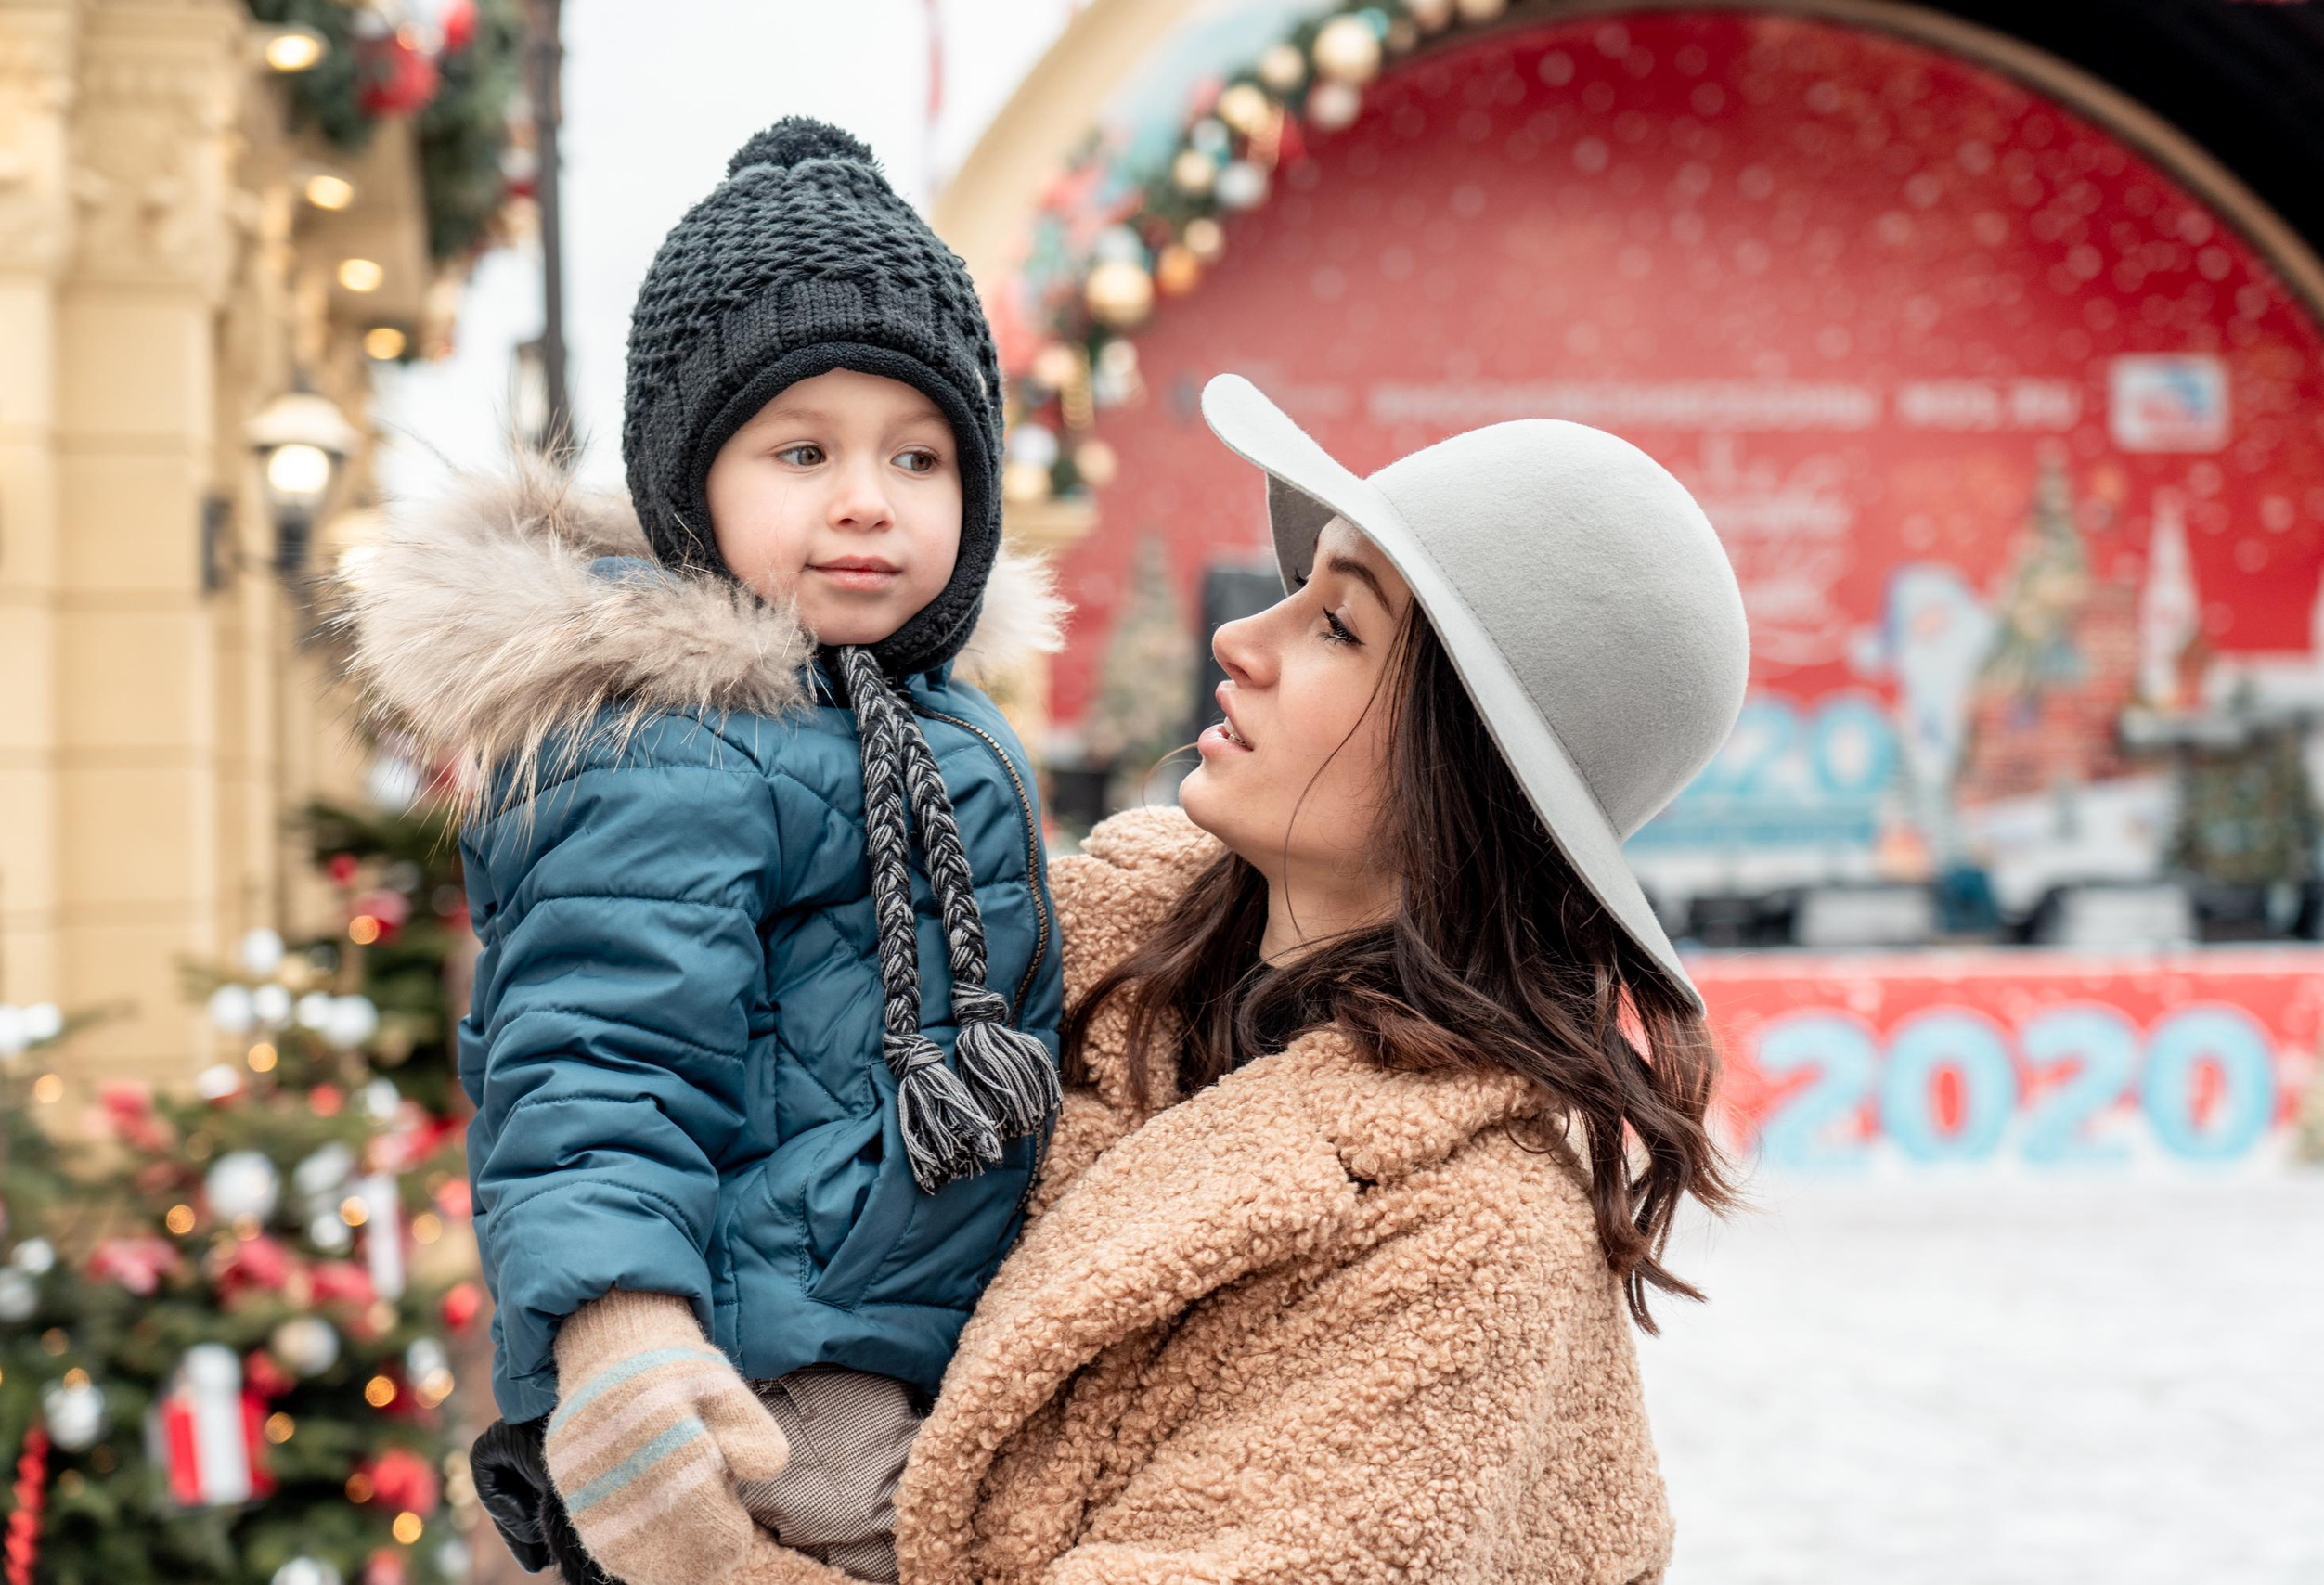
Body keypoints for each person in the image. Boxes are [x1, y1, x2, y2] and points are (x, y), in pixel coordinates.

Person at [713, 370, 1749, 1584]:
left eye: (1339, 627)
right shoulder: (1067, 940)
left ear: (1464, 763)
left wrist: (689, 1544)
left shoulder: (1467, 1244)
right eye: (1297, 591)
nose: (1239, 638)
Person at [342, 119, 1067, 1585]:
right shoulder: (669, 748)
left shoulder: (923, 720)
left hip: (916, 1325)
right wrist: (621, 1337)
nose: (868, 498)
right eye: (803, 451)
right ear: (693, 485)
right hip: (775, 1376)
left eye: (919, 456)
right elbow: (595, 1064)